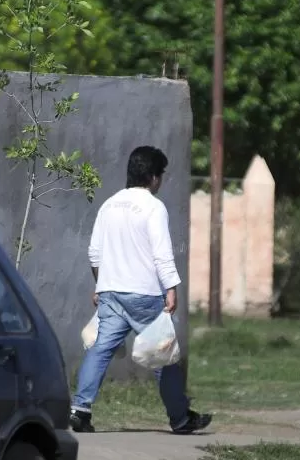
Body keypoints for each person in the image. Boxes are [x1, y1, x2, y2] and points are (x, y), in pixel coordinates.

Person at [69, 146, 213, 435]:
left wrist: (101, 285)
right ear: (152, 177)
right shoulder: (153, 206)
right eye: (160, 175)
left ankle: (79, 410)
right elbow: (162, 254)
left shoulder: (109, 205)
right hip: (144, 295)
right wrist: (171, 288)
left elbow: (94, 253)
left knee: (100, 350)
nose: (160, 181)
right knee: (164, 356)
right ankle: (181, 418)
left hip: (111, 293)